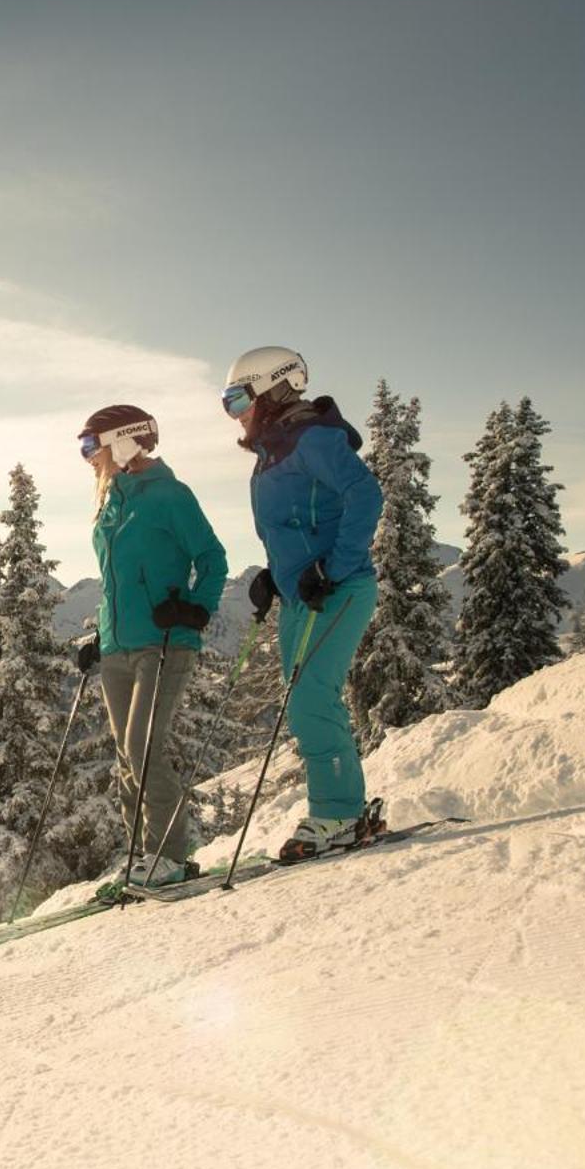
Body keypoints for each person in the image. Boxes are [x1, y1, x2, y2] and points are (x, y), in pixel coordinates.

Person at [221, 346, 385, 861]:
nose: (234, 412)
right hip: (303, 595)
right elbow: (299, 522)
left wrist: (332, 567)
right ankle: (340, 810)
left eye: (236, 399)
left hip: (336, 589)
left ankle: (338, 815)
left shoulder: (313, 438)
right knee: (304, 700)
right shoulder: (275, 450)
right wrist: (277, 574)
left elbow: (366, 494)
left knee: (314, 696)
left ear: (272, 389)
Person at [75, 404, 228, 885]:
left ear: (124, 441)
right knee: (126, 754)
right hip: (119, 647)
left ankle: (170, 856)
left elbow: (213, 558)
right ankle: (145, 856)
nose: (86, 458)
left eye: (89, 446)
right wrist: (100, 634)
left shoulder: (170, 497)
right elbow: (115, 581)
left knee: (142, 747)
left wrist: (194, 608)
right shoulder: (113, 501)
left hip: (165, 641)